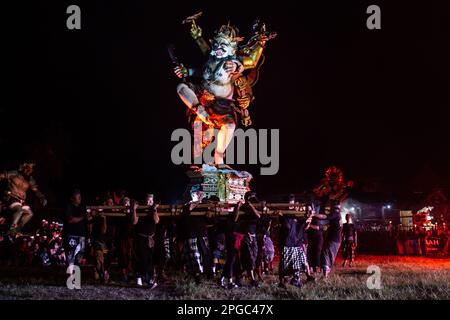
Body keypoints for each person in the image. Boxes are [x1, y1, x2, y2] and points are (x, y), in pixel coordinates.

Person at [0, 162, 47, 235]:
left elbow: (35, 190)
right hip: (11, 197)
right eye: (28, 169)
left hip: (21, 200)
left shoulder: (30, 179)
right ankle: (12, 228)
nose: (29, 171)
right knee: (20, 210)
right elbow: (2, 176)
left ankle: (17, 230)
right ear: (24, 167)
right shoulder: (14, 173)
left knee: (30, 213)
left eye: (31, 170)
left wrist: (42, 197)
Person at [277, 211, 314, 288]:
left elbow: (304, 227)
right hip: (288, 244)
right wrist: (281, 216)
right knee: (285, 265)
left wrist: (309, 218)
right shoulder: (286, 217)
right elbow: (286, 226)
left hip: (296, 244)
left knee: (298, 264)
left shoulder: (299, 218)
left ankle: (296, 280)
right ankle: (282, 282)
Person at [132, 196, 160, 289]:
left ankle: (143, 277)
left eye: (151, 200)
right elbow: (134, 222)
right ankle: (146, 279)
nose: (149, 202)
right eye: (148, 200)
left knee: (150, 259)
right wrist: (134, 210)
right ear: (145, 201)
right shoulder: (140, 210)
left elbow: (156, 221)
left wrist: (155, 210)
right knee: (143, 258)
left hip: (151, 239)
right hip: (141, 239)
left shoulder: (153, 211)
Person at [235, 192, 261, 287]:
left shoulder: (254, 208)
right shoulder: (242, 208)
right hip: (245, 236)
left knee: (253, 258)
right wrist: (238, 207)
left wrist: (252, 207)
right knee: (250, 258)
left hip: (254, 236)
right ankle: (253, 280)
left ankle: (239, 275)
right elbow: (235, 219)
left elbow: (258, 216)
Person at [63, 189, 90, 272]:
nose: (79, 197)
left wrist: (90, 217)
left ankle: (76, 276)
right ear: (72, 198)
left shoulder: (82, 208)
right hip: (71, 235)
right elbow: (70, 220)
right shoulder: (69, 207)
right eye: (77, 195)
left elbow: (87, 221)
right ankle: (71, 278)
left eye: (79, 195)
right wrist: (83, 217)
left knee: (79, 256)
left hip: (81, 235)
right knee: (71, 256)